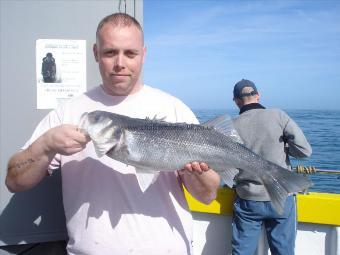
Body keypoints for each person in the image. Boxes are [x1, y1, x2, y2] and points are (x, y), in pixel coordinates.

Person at [5, 13, 220, 255]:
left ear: (144, 54)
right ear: (96, 53)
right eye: (110, 53)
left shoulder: (174, 109)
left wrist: (195, 174)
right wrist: (45, 145)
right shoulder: (68, 112)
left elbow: (207, 195)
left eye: (130, 53)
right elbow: (14, 180)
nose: (120, 63)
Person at [230, 79, 312, 255]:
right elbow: (305, 152)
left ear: (236, 100)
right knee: (283, 251)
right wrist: (286, 148)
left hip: (248, 199)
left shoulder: (232, 125)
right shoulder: (278, 115)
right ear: (258, 95)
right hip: (281, 196)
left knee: (242, 252)